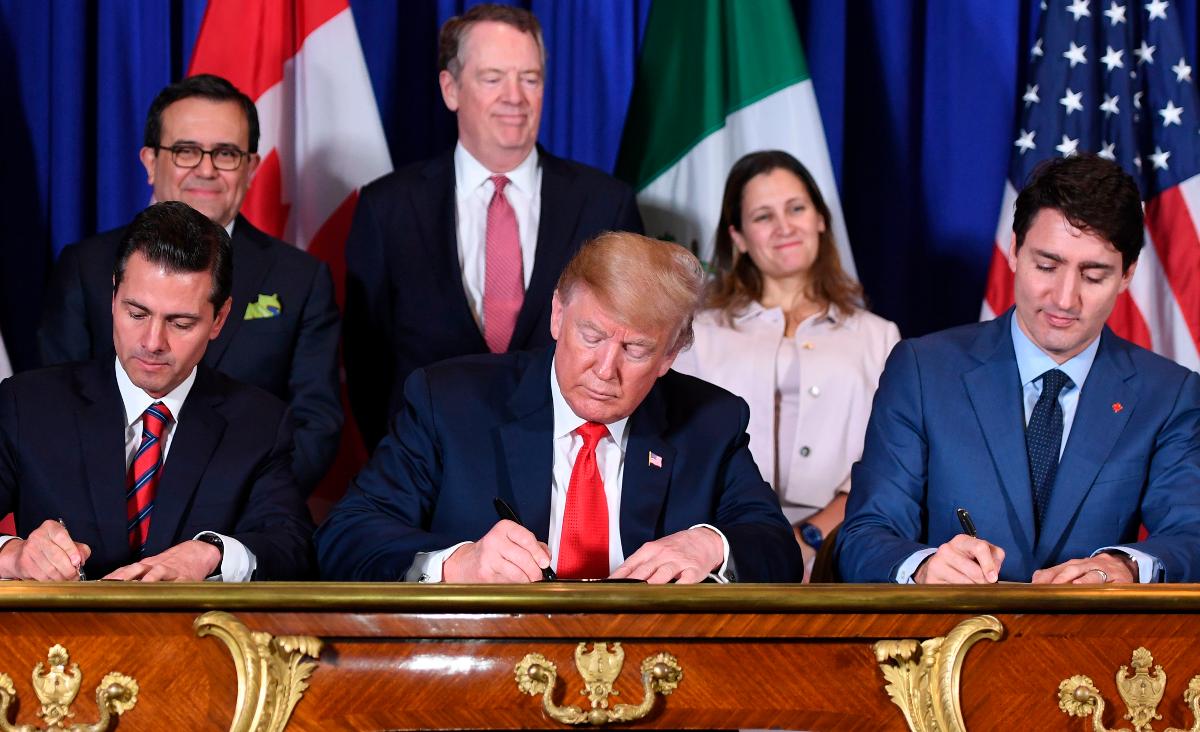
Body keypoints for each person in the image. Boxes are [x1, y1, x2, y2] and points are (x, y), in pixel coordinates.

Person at [317, 232, 801, 583]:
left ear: (670, 356)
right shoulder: (449, 402)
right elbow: (346, 537)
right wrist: (456, 563)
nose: (605, 368)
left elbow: (776, 548)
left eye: (636, 350)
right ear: (557, 314)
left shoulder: (710, 421)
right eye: (591, 336)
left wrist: (707, 545)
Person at [838, 154, 1200, 584]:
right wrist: (923, 568)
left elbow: (1190, 535)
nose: (1065, 299)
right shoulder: (922, 371)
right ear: (1013, 250)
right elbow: (864, 535)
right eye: (1047, 266)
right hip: (951, 641)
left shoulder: (1169, 393)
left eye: (1094, 275)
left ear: (1127, 275)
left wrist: (1122, 567)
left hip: (1090, 646)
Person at [344, 3, 644, 451]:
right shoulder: (387, 207)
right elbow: (367, 367)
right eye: (492, 78)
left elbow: (631, 344)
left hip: (564, 471)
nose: (515, 97)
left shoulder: (605, 204)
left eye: (530, 78)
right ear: (451, 88)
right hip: (426, 472)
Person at [37, 74, 340, 494]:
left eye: (226, 153)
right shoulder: (85, 265)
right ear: (149, 161)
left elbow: (316, 426)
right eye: (185, 151)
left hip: (241, 524)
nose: (206, 169)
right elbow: (53, 405)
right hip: (101, 516)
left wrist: (229, 506)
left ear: (251, 167)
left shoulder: (301, 279)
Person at [0, 202, 313, 581]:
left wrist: (211, 553)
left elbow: (292, 548)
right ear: (114, 296)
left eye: (180, 323)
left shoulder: (260, 423)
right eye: (137, 313)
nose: (152, 342)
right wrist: (13, 555)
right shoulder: (27, 405)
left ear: (220, 319)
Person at [672, 151, 898, 576]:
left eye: (796, 208)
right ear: (738, 236)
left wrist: (810, 537)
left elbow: (889, 467)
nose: (784, 227)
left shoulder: (879, 337)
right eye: (763, 216)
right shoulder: (697, 335)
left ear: (820, 219)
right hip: (720, 556)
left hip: (845, 549)